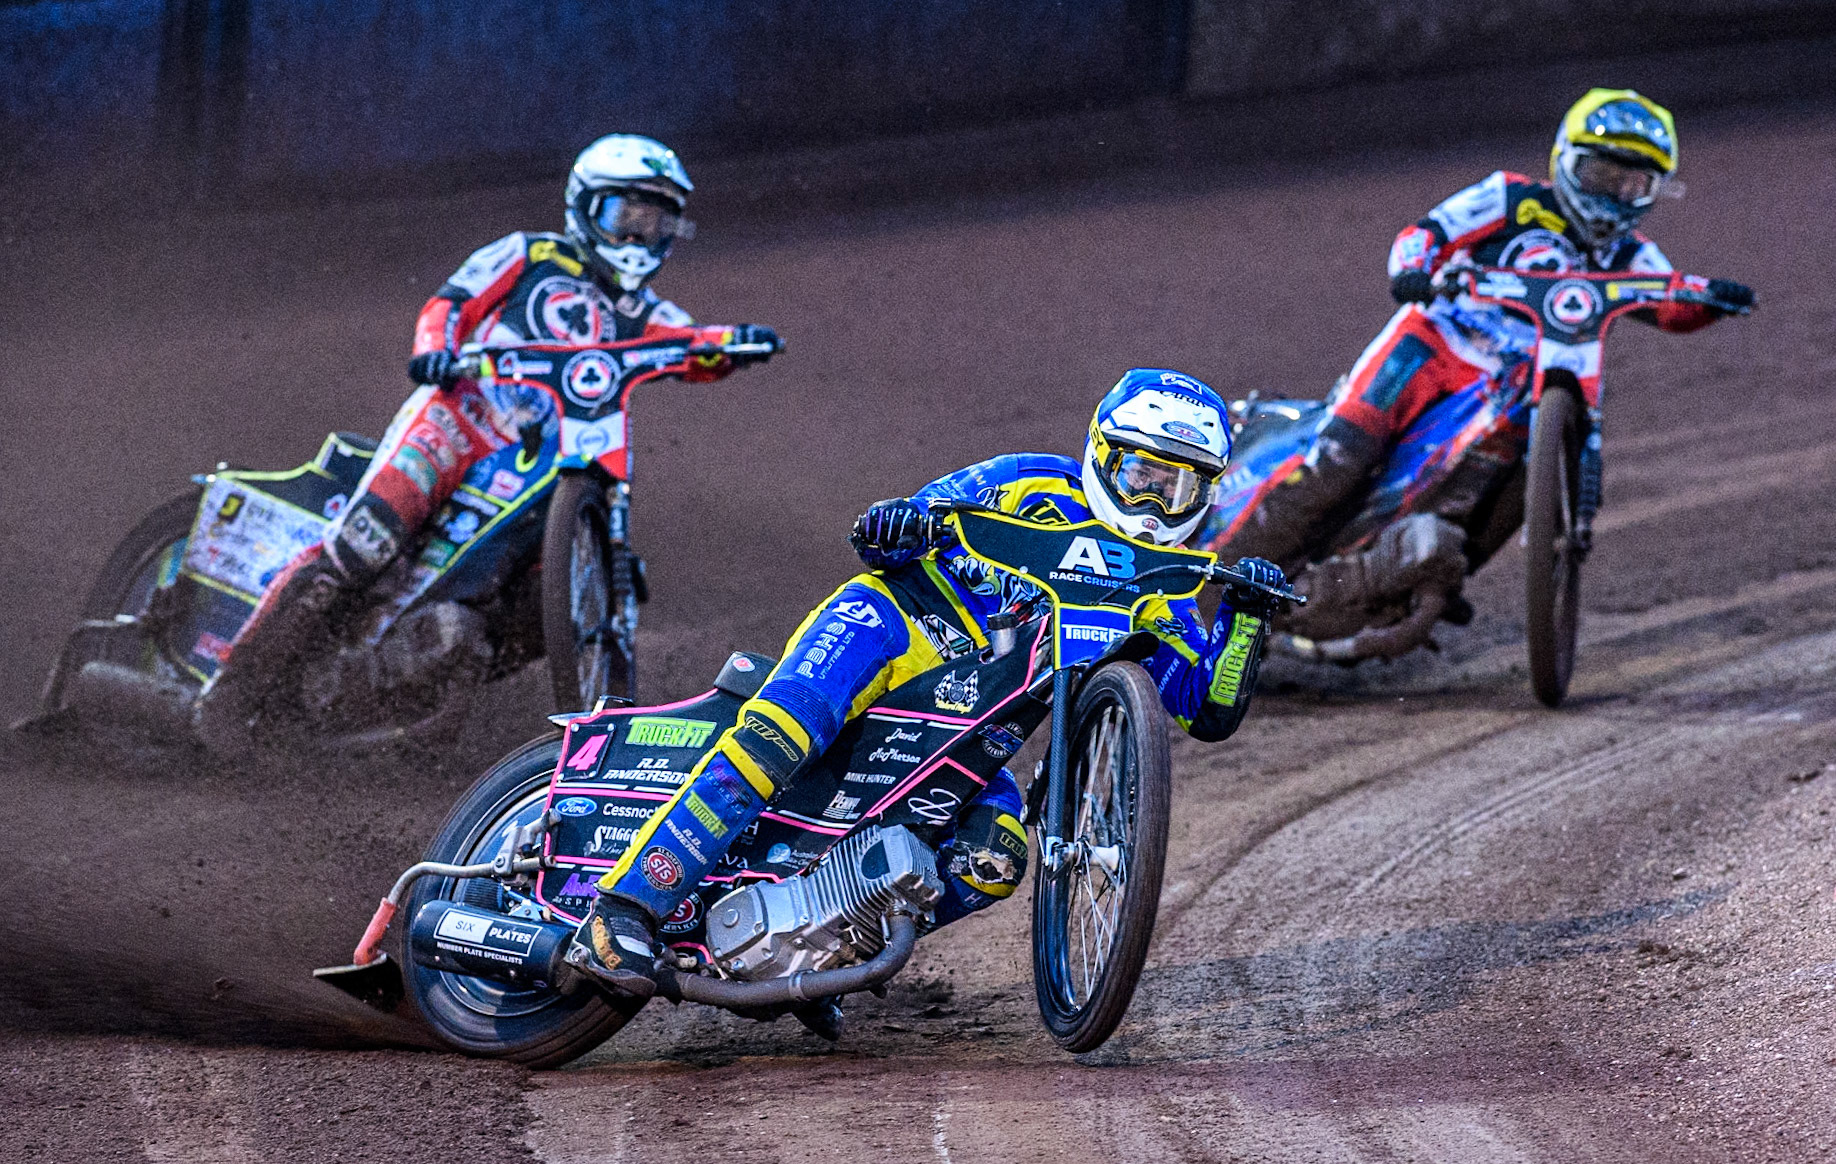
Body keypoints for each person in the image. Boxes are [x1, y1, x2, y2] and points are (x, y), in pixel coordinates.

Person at [563, 367, 1288, 998]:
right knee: (778, 737)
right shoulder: (1031, 479)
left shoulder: (1166, 590)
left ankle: (819, 952)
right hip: (893, 631)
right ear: (1103, 454)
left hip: (972, 737)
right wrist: (897, 523)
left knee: (995, 854)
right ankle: (623, 910)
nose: (1156, 503)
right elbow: (917, 515)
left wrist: (1247, 617)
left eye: (1178, 486)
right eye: (1143, 477)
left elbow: (1206, 707)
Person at [196, 134, 779, 737]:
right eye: (623, 215)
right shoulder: (528, 257)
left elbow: (692, 347)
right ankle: (226, 697)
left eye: (654, 222)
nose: (636, 237)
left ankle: (417, 693)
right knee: (363, 546)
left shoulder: (645, 314)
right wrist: (435, 352)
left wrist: (737, 343)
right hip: (458, 420)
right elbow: (452, 302)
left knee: (525, 603)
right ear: (586, 205)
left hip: (547, 462)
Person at [1214, 88, 1756, 569]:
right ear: (1566, 161)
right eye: (1601, 174)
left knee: (1515, 477)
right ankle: (1213, 588)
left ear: (1654, 190)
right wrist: (1413, 270)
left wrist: (1712, 300)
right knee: (1338, 459)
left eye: (1631, 182)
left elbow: (1670, 302)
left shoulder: (1630, 254)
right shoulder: (1511, 199)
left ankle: (1429, 571)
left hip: (1524, 378)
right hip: (1434, 342)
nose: (1610, 194)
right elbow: (1427, 231)